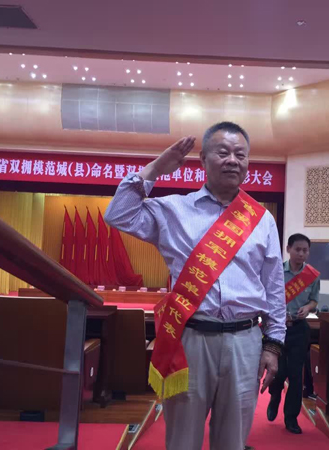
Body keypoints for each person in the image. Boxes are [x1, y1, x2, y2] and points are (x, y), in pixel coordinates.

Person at [105, 122, 286, 450]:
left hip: (245, 341)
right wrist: (155, 169)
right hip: (191, 340)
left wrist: (273, 346)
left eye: (240, 155)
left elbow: (274, 286)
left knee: (233, 441)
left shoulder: (262, 219)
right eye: (223, 152)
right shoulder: (174, 209)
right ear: (202, 159)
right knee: (182, 439)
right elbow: (118, 214)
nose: (233, 160)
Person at [267, 233, 320, 434]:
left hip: (299, 329)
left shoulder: (312, 275)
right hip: (277, 328)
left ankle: (291, 418)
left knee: (296, 375)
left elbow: (314, 300)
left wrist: (308, 307)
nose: (301, 254)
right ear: (288, 249)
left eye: (305, 250)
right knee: (279, 372)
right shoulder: (277, 271)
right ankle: (274, 395)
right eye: (297, 249)